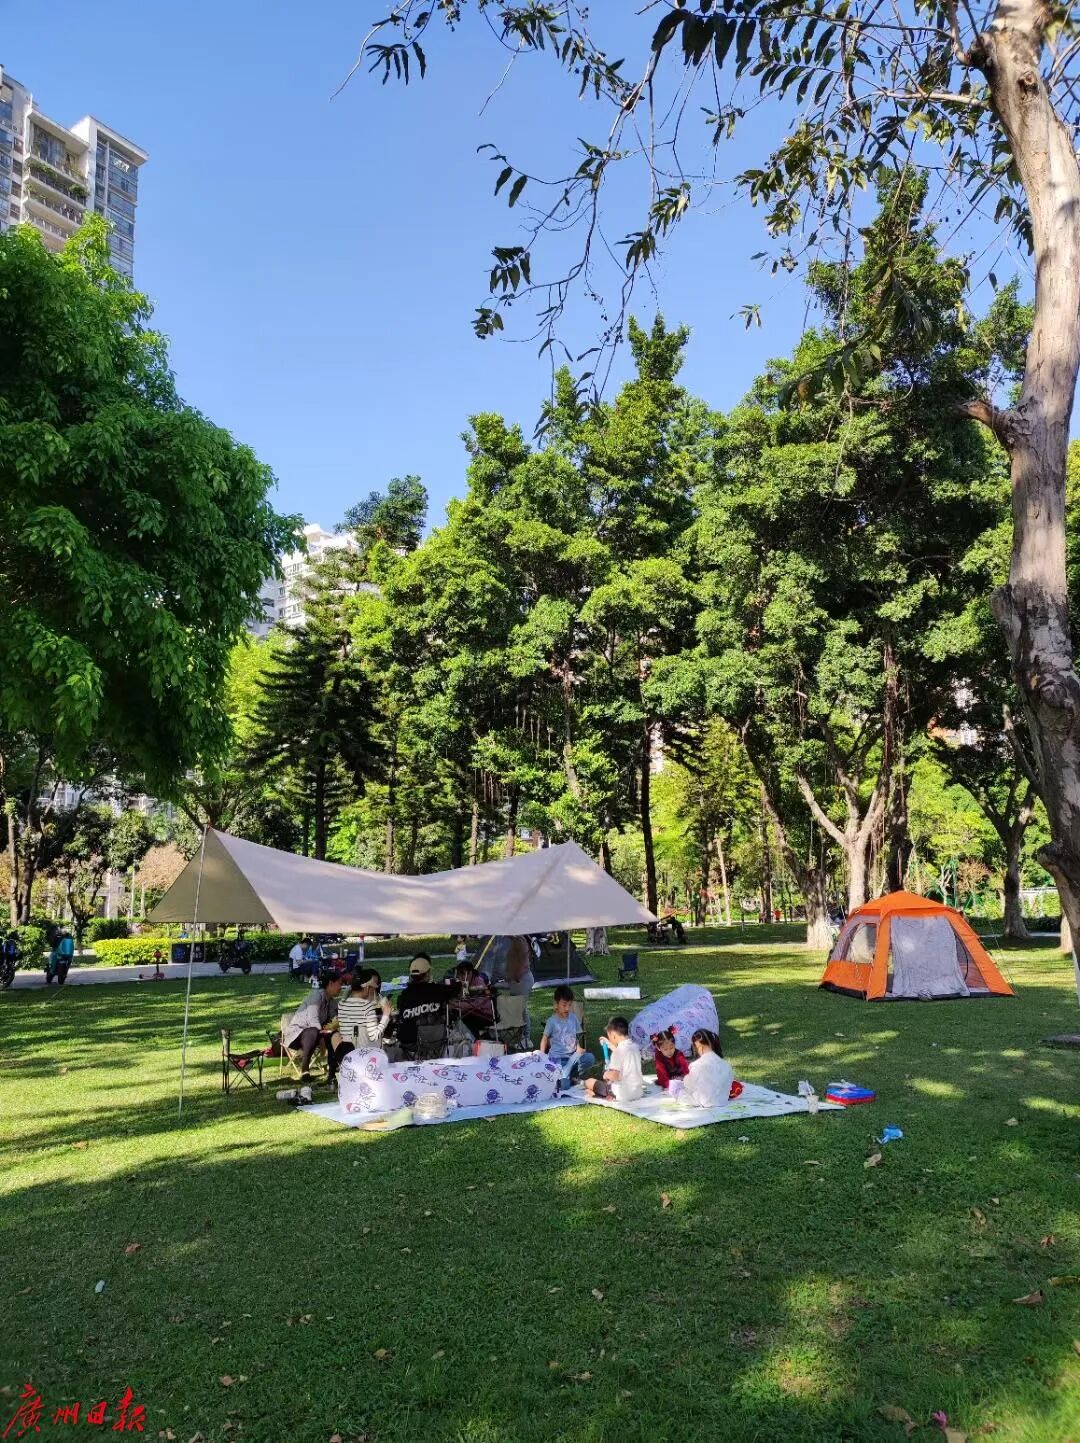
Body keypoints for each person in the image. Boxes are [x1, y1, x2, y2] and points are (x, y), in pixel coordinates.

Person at [283, 973, 349, 1082]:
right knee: (314, 1031)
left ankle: (333, 1070)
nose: (341, 987)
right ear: (330, 983)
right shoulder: (316, 996)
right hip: (296, 1035)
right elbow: (313, 1020)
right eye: (339, 984)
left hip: (316, 1034)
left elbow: (335, 1020)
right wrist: (322, 1036)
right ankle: (305, 1070)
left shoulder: (332, 1001)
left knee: (333, 1033)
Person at [394, 954, 451, 1058]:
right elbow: (456, 988)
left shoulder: (404, 995)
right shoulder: (438, 990)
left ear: (411, 976)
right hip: (435, 1042)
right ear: (428, 973)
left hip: (409, 1045)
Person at [539, 985, 594, 1089]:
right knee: (564, 1086)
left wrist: (578, 1048)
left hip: (572, 1057)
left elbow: (575, 1036)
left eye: (570, 1005)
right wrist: (542, 1056)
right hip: (557, 1059)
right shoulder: (552, 1021)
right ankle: (566, 1076)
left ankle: (567, 1075)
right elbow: (544, 1039)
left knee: (589, 1058)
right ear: (556, 1004)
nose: (567, 1008)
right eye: (564, 1005)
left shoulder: (573, 1018)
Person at [585, 1017, 644, 1102]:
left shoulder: (618, 1052)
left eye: (609, 1036)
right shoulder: (635, 1048)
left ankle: (599, 1095)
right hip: (638, 1092)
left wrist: (606, 1074)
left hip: (623, 1094)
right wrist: (609, 1044)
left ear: (613, 1035)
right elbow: (623, 1054)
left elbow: (615, 1075)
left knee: (589, 1082)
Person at [337, 968, 395, 1053]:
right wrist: (386, 1015)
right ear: (367, 988)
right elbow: (374, 1035)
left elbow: (355, 1031)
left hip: (352, 1051)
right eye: (372, 988)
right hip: (368, 1054)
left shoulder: (344, 1004)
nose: (374, 991)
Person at [679, 1029, 737, 1108]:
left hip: (705, 1103)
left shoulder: (696, 1065)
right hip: (722, 1102)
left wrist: (684, 1080)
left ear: (699, 1046)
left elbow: (689, 1086)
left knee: (679, 1092)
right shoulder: (726, 1065)